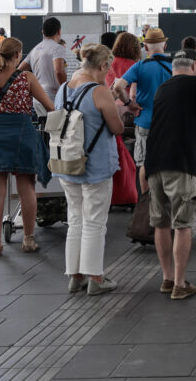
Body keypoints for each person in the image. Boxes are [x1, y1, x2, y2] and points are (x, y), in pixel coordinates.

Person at [146, 50, 196, 300]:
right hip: (178, 164)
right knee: (183, 224)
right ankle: (180, 284)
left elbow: (167, 128)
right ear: (195, 66)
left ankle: (167, 278)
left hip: (154, 163)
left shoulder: (163, 88)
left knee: (161, 224)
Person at [53, 43, 125, 296]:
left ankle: (75, 276)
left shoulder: (62, 90)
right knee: (95, 222)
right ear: (103, 66)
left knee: (75, 220)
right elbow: (116, 128)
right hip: (95, 166)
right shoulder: (99, 91)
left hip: (67, 164)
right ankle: (96, 277)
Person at [0, 37, 55, 257]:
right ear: (18, 54)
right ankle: (28, 239)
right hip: (22, 134)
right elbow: (49, 106)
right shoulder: (26, 77)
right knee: (26, 188)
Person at [112, 28, 172, 196]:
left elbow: (117, 87)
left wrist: (129, 103)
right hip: (168, 124)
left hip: (145, 121)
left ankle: (146, 203)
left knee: (145, 164)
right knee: (168, 164)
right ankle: (164, 202)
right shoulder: (174, 67)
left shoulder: (139, 66)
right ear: (165, 46)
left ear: (146, 48)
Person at [19, 17, 67, 115]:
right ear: (59, 31)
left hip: (37, 97)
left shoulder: (35, 49)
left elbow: (19, 70)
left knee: (44, 127)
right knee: (57, 128)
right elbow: (59, 71)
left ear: (42, 32)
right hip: (53, 96)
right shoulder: (58, 48)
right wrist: (65, 89)